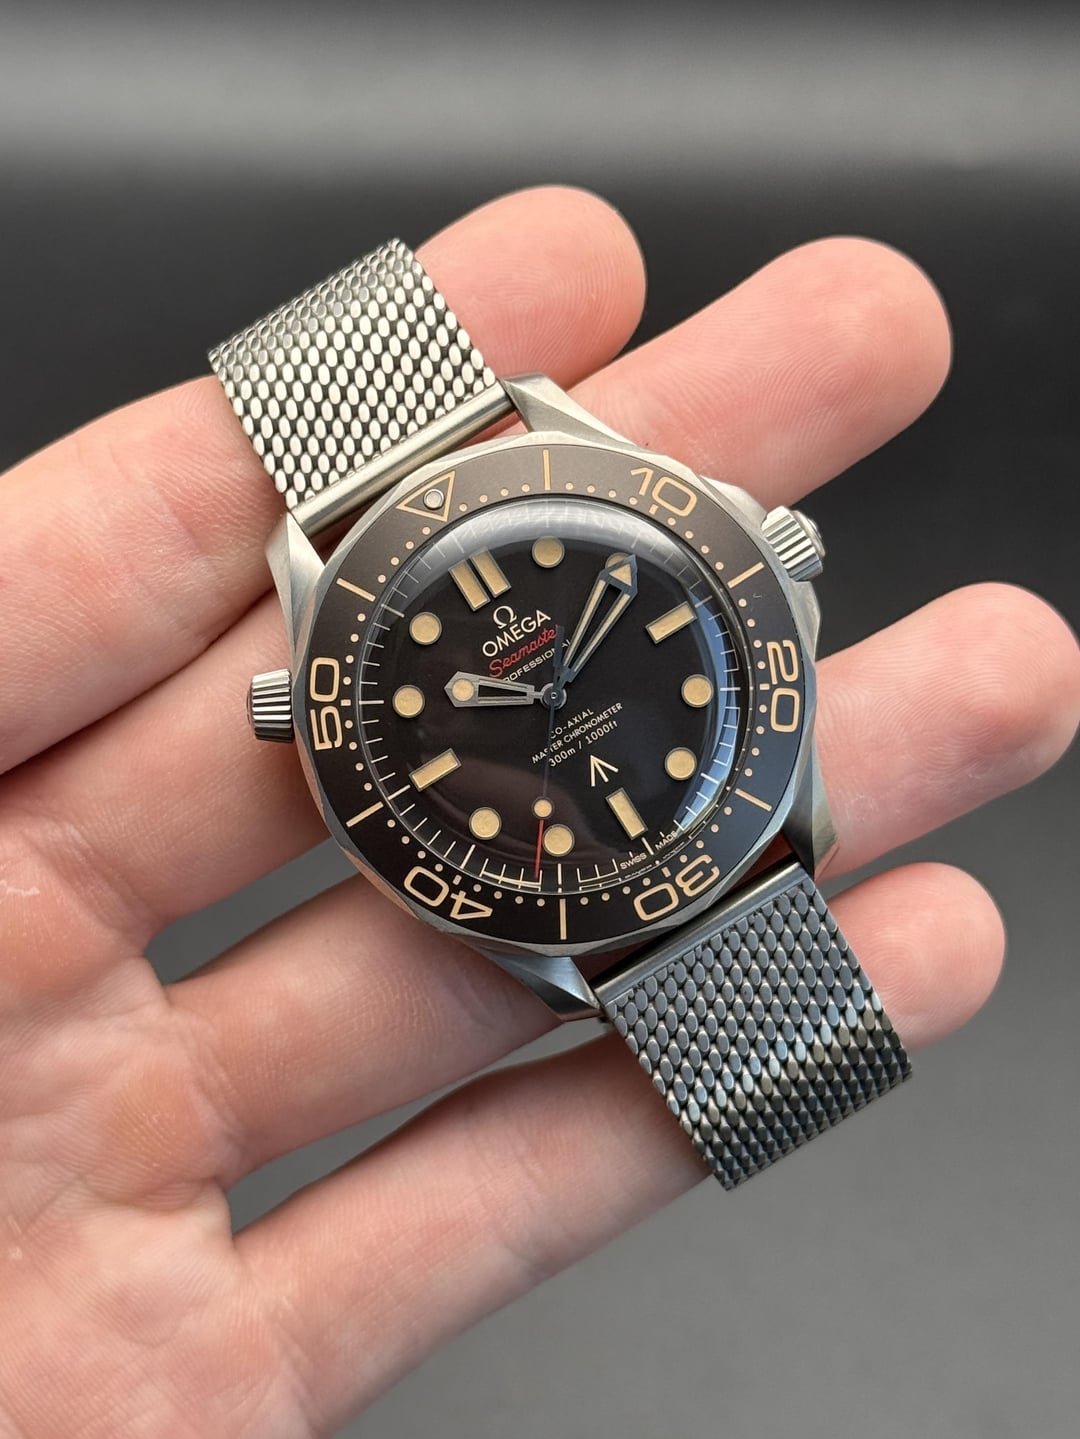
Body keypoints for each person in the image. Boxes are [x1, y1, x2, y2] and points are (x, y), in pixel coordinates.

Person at [1, 186, 1077, 1438]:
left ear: (765, 550)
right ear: (301, 713)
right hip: (610, 893)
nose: (546, 691)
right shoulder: (368, 609)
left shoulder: (694, 660)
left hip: (710, 850)